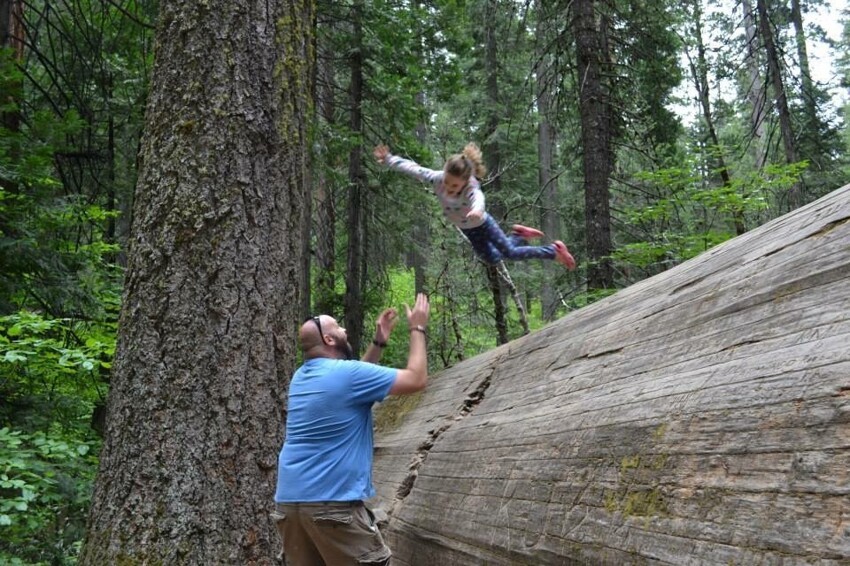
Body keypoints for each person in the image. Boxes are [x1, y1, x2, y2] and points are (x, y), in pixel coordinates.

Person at [273, 293, 431, 566]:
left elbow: (357, 381)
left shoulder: (302, 377)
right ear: (329, 340)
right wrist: (417, 327)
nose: (345, 329)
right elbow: (416, 379)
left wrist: (379, 342)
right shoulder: (346, 375)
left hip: (290, 507)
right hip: (331, 506)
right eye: (338, 327)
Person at [373, 143, 576, 270]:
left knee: (510, 253)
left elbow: (478, 198)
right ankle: (518, 235)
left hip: (483, 224)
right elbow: (414, 168)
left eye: (454, 185)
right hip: (467, 229)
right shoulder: (436, 178)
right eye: (447, 182)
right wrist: (389, 159)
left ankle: (553, 251)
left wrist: (478, 210)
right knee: (492, 259)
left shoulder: (471, 186)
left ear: (465, 181)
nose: (449, 188)